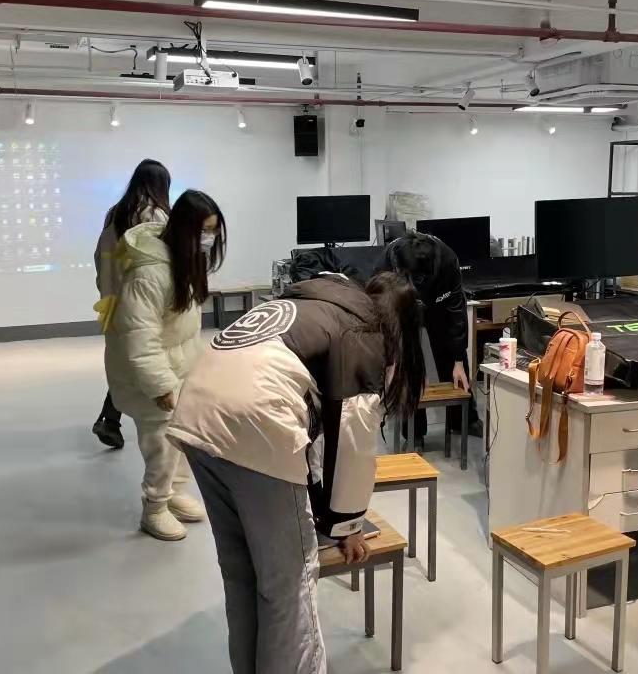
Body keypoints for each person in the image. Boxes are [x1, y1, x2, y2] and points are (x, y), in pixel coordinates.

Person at [166, 272, 425, 674]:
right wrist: (348, 525)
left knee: (242, 576)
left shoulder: (318, 301)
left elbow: (315, 439)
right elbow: (353, 444)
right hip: (254, 421)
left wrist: (324, 510)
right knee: (289, 587)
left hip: (198, 412)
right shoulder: (363, 334)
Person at [105, 189, 227, 540]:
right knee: (160, 444)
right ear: (185, 229)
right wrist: (159, 385)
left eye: (213, 231)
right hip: (148, 372)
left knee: (183, 435)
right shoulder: (148, 275)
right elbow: (140, 338)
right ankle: (154, 508)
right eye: (204, 230)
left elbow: (182, 329)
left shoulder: (185, 261)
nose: (209, 238)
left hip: (179, 363)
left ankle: (173, 493)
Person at [92, 159, 173, 449]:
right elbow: (164, 262)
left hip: (112, 300)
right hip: (144, 301)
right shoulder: (155, 215)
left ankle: (109, 419)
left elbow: (99, 258)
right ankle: (137, 419)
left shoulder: (115, 214)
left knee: (124, 360)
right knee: (149, 359)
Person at [377, 231, 478, 450]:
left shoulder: (447, 262)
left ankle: (463, 420)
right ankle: (414, 433)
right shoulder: (386, 263)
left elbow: (457, 313)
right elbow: (383, 319)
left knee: (452, 356)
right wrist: (392, 362)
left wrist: (458, 360)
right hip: (402, 311)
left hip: (438, 306)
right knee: (408, 366)